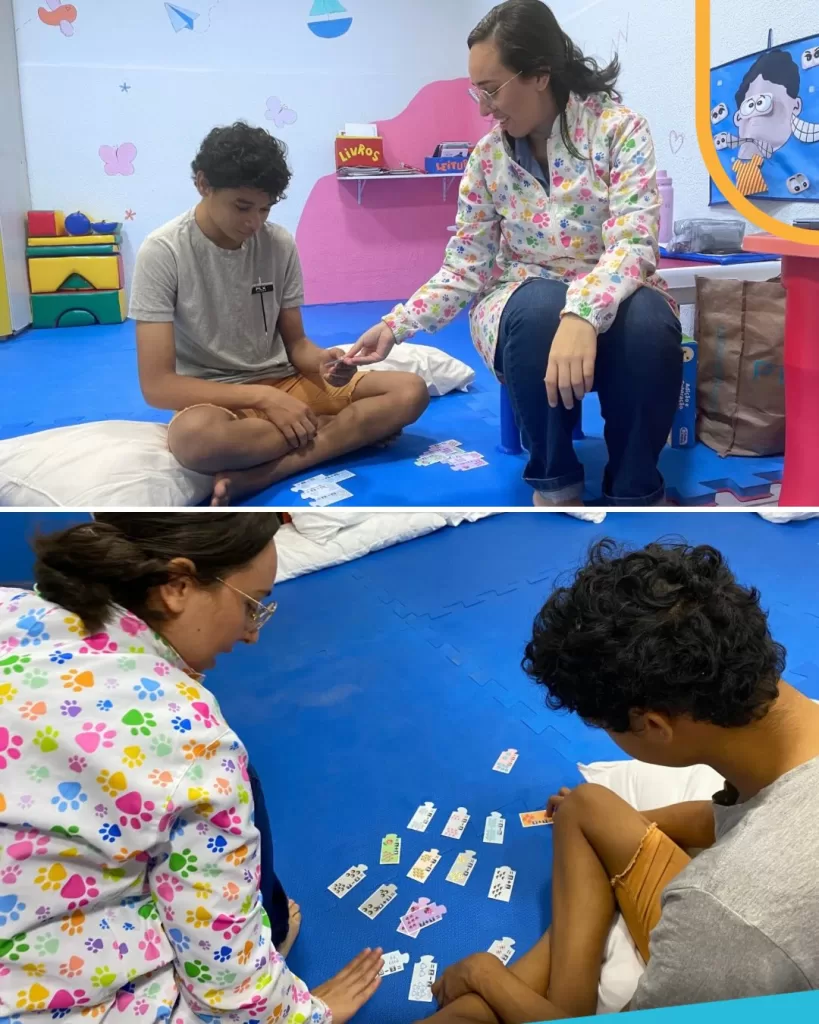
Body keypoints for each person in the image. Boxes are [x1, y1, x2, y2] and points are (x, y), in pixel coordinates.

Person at [0, 513, 383, 1024]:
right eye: (251, 605)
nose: (252, 633)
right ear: (177, 586)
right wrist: (308, 1015)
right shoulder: (193, 741)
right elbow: (229, 993)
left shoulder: (11, 605)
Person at [422, 539, 819, 1022]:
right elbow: (737, 819)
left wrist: (485, 974)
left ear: (653, 725)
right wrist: (618, 831)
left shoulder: (720, 917)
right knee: (587, 807)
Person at [344, 0, 682, 508]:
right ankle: (555, 482)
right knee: (538, 307)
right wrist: (395, 326)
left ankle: (635, 489)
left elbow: (634, 241)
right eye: (476, 90)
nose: (484, 108)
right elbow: (465, 264)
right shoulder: (486, 159)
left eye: (492, 89)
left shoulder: (619, 130)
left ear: (540, 74)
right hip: (523, 297)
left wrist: (582, 313)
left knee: (650, 324)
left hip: (611, 290)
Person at [129, 123, 429, 507]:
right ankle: (335, 431)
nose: (254, 222)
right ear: (203, 184)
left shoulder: (279, 243)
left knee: (409, 392)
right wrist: (262, 398)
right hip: (216, 398)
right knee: (197, 442)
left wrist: (322, 362)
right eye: (242, 207)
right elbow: (157, 386)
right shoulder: (162, 251)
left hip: (288, 385)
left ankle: (268, 473)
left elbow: (296, 344)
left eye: (265, 209)